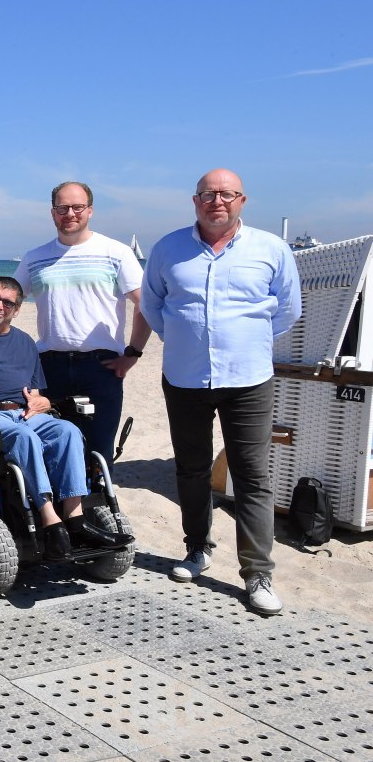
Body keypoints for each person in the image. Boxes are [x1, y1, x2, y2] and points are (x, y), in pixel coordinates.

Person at [141, 168, 300, 616]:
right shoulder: (167, 249)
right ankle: (197, 549)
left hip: (248, 378)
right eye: (208, 194)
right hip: (185, 377)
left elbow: (287, 309)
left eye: (226, 194)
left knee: (252, 477)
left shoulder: (271, 248)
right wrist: (187, 338)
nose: (217, 201)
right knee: (191, 470)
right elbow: (153, 306)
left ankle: (257, 574)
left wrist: (242, 339)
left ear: (242, 201)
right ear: (195, 201)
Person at [0, 277, 133, 559]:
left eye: (7, 303)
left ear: (16, 310)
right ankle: (51, 522)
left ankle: (74, 518)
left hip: (25, 412)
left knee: (68, 431)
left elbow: (36, 391)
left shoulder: (26, 342)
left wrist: (43, 401)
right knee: (25, 438)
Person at [13, 181, 152, 462]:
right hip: (49, 365)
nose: (70, 213)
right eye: (62, 208)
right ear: (53, 213)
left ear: (90, 211)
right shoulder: (34, 258)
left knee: (100, 447)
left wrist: (133, 353)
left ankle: (100, 504)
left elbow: (146, 305)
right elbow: (7, 298)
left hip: (101, 366)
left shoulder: (116, 252)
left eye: (77, 207)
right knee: (51, 446)